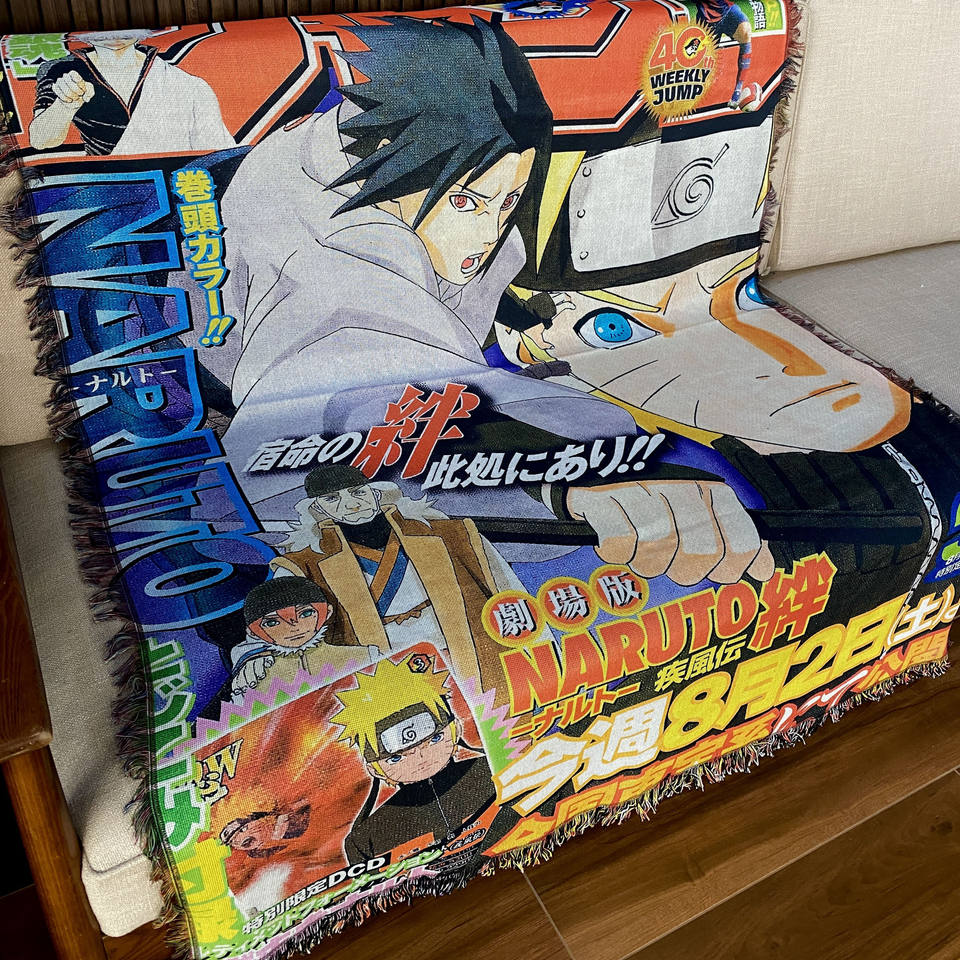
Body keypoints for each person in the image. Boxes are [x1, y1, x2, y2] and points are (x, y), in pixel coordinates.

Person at [210, 15, 772, 588]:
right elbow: (366, 370)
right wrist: (560, 470)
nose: (486, 234)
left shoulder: (409, 179)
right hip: (247, 467)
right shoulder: (334, 238)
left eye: (505, 204)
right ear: (385, 153)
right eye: (468, 203)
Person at [268, 464, 549, 701]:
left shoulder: (451, 533)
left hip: (466, 649)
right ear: (317, 509)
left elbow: (510, 594)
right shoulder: (304, 563)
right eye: (332, 499)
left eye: (358, 492)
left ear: (375, 492)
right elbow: (278, 631)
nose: (351, 504)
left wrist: (544, 655)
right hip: (385, 671)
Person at [335, 653, 506, 870]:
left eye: (434, 739)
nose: (421, 758)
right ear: (374, 769)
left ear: (456, 729)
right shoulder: (365, 838)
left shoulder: (496, 770)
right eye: (396, 757)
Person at [29, 28, 234, 155]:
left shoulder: (187, 84)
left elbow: (220, 155)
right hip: (104, 185)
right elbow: (41, 140)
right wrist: (65, 106)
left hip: (177, 187)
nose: (113, 35)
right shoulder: (60, 70)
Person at [229, 577, 375, 699]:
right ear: (253, 632)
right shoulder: (251, 677)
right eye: (272, 623)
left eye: (306, 614)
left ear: (327, 612)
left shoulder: (365, 655)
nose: (293, 628)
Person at [695, 0, 754, 108]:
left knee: (745, 31)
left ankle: (738, 89)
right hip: (707, 19)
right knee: (702, 64)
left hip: (728, 10)